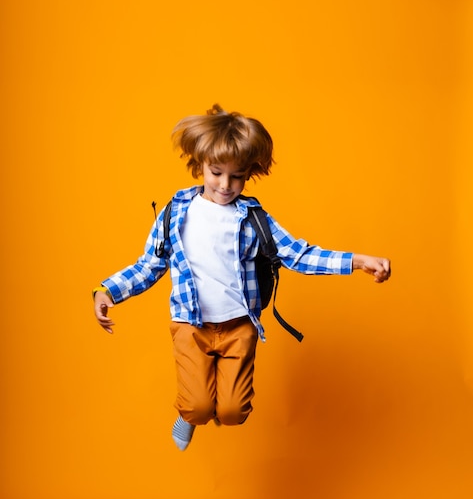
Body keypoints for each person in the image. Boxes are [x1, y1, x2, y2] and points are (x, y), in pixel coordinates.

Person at [93, 104, 391, 451]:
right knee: (199, 406)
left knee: (234, 412)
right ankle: (189, 416)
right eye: (216, 172)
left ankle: (213, 407)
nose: (225, 184)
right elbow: (149, 265)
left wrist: (356, 260)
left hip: (239, 327)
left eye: (236, 176)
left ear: (249, 173)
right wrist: (107, 291)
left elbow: (299, 253)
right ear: (199, 165)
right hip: (191, 325)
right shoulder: (177, 214)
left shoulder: (253, 218)